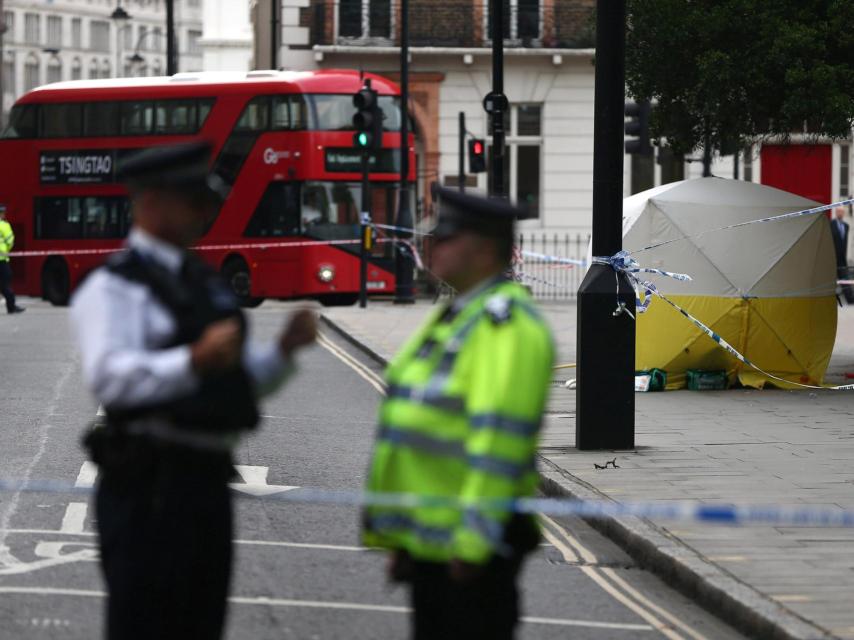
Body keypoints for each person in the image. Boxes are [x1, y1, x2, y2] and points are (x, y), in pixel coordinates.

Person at [69, 141, 317, 640]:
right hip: (148, 487)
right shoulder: (116, 286)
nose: (207, 211)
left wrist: (284, 353)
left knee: (201, 625)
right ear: (152, 203)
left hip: (206, 484)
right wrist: (192, 360)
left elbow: (238, 380)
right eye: (193, 200)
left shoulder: (203, 282)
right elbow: (110, 377)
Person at [361, 185, 555, 640]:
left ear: (485, 248)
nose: (433, 244)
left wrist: (473, 543)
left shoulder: (504, 327)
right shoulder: (458, 315)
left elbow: (498, 444)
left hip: (469, 553)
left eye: (446, 236)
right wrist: (404, 540)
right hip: (434, 546)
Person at [0, 203, 25, 314]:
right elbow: (10, 242)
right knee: (5, 284)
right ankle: (11, 307)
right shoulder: (4, 226)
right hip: (2, 260)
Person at [830, 206, 854, 304]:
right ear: (836, 213)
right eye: (838, 211)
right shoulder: (831, 224)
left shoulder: (846, 226)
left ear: (843, 213)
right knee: (831, 280)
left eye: (841, 212)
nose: (840, 213)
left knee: (845, 279)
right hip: (832, 258)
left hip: (842, 259)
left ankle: (850, 300)